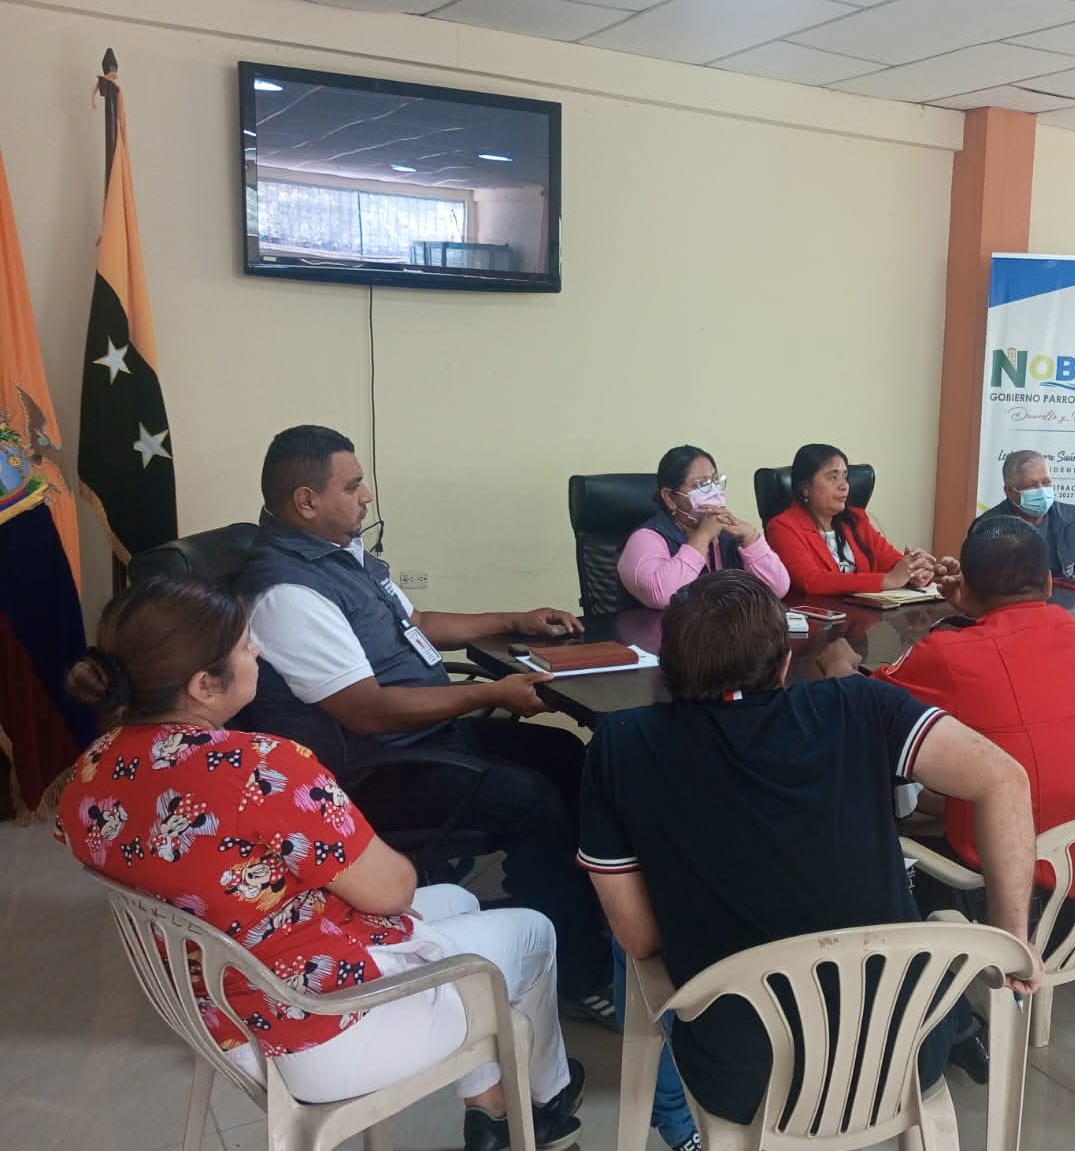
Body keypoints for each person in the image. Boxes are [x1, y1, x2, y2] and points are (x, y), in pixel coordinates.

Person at [54, 578, 583, 1151]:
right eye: (246, 646)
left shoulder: (89, 773)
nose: (258, 652)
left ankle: (491, 1107)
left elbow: (208, 872)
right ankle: (546, 1104)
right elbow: (393, 891)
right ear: (204, 685)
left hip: (224, 1010)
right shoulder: (260, 768)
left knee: (459, 899)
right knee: (533, 932)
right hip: (321, 1032)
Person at [577, 571, 1043, 1125]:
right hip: (909, 1053)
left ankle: (674, 1123)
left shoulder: (620, 743)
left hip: (747, 1079)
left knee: (630, 954)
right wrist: (1014, 939)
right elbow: (1003, 779)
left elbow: (640, 938)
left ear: (666, 668)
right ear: (782, 665)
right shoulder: (860, 703)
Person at [234, 425, 611, 1020]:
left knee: (569, 757)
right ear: (306, 501)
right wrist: (492, 693)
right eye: (352, 486)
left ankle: (566, 908)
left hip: (423, 737)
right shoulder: (288, 591)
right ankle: (580, 975)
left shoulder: (335, 555)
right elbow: (365, 709)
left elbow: (416, 622)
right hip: (374, 771)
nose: (366, 496)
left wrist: (515, 619)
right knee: (534, 801)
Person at [819, 516, 1075, 894]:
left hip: (1014, 887)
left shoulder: (950, 655)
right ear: (1049, 583)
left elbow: (863, 708)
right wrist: (971, 610)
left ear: (965, 585)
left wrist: (838, 667)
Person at [618, 445, 789, 609]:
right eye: (701, 484)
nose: (713, 491)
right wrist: (702, 537)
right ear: (669, 497)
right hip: (659, 628)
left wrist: (752, 540)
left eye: (715, 481)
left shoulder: (727, 535)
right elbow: (662, 596)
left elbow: (777, 590)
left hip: (722, 626)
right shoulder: (646, 538)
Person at [763, 443, 934, 597]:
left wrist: (914, 570)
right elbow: (810, 581)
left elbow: (891, 562)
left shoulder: (856, 519)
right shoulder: (782, 526)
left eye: (845, 477)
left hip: (865, 616)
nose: (844, 485)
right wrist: (888, 580)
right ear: (805, 487)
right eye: (833, 477)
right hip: (818, 617)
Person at [969, 449, 1075, 578]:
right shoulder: (987, 529)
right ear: (1009, 491)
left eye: (1046, 483)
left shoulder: (1071, 519)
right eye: (1031, 486)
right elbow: (975, 584)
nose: (1042, 491)